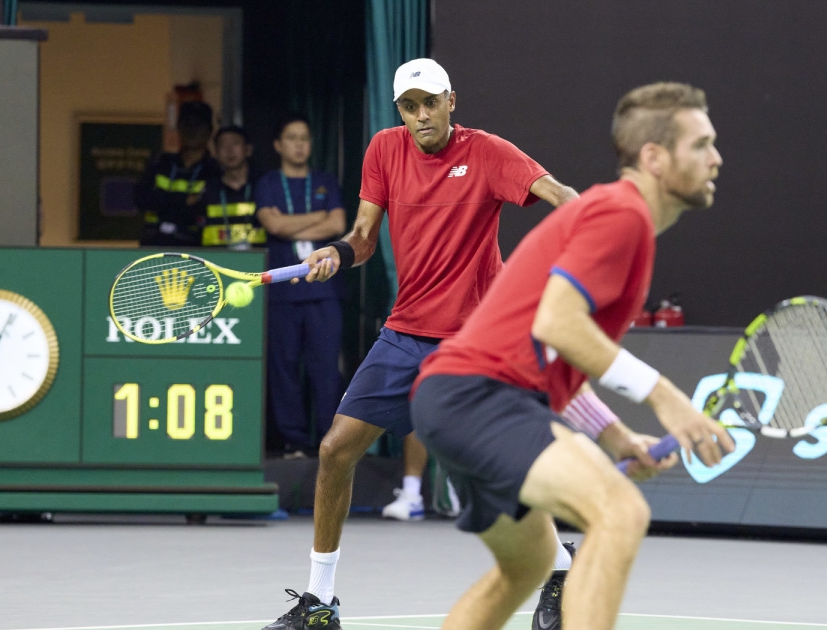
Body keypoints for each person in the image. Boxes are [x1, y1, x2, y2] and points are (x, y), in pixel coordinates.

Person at [260, 58, 578, 630]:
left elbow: (558, 194)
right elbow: (363, 237)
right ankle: (319, 602)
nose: (421, 115)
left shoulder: (487, 152)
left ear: (452, 100)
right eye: (410, 105)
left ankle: (558, 566)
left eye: (430, 102)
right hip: (406, 333)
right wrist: (337, 251)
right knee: (336, 451)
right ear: (399, 110)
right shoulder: (384, 149)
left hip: (476, 342)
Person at [409, 82, 736, 630]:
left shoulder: (619, 222)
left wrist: (615, 437)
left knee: (527, 565)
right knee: (620, 512)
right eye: (701, 144)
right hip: (480, 397)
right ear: (654, 158)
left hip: (458, 399)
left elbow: (555, 353)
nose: (717, 157)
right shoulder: (621, 214)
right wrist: (666, 397)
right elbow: (558, 324)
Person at [255, 114, 347, 457]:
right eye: (291, 137)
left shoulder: (324, 180)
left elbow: (337, 223)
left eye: (304, 138)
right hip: (283, 291)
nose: (298, 144)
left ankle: (330, 441)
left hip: (323, 291)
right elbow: (272, 225)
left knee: (325, 369)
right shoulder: (267, 182)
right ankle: (294, 440)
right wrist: (316, 221)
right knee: (284, 366)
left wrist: (290, 224)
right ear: (279, 145)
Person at [137, 100, 219, 247]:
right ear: (179, 128)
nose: (192, 131)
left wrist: (164, 203)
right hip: (153, 245)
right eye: (187, 125)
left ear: (209, 131)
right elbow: (141, 198)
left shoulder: (214, 169)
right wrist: (184, 201)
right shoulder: (162, 163)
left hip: (194, 249)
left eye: (198, 126)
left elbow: (205, 209)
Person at [201, 125, 266, 249]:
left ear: (248, 149)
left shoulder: (263, 185)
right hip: (214, 261)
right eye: (223, 145)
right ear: (215, 152)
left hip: (260, 261)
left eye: (235, 144)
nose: (229, 150)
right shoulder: (208, 189)